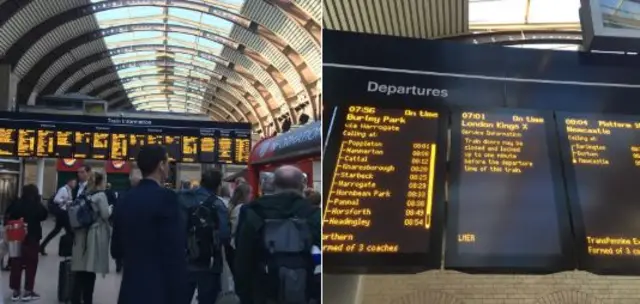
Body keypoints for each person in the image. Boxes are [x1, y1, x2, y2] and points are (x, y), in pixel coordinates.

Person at [111, 145, 187, 304]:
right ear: (161, 165)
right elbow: (176, 251)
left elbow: (116, 250)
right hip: (159, 290)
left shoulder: (125, 199)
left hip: (129, 290)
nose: (168, 167)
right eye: (167, 163)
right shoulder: (167, 199)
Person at [234, 166, 321, 304]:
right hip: (304, 290)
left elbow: (243, 258)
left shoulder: (254, 212)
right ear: (302, 185)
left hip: (263, 291)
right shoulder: (314, 214)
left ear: (273, 184)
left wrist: (244, 294)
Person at [178, 169, 230, 304]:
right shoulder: (218, 205)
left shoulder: (183, 199)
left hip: (185, 260)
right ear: (218, 186)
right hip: (210, 263)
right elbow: (225, 235)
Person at [70, 171, 111, 304]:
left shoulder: (85, 194)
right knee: (90, 269)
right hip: (93, 235)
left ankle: (75, 299)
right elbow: (105, 214)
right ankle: (88, 300)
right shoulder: (101, 195)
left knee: (80, 270)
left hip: (81, 234)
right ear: (100, 182)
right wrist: (111, 208)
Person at [4, 184, 48, 301]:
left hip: (16, 238)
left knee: (16, 264)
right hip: (32, 238)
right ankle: (28, 291)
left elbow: (8, 216)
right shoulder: (36, 205)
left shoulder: (16, 204)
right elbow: (44, 215)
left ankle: (15, 291)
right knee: (31, 265)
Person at [111, 169, 142, 273]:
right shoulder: (146, 197)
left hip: (124, 235)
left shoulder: (123, 196)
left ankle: (120, 263)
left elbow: (116, 219)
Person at [39, 178, 76, 255]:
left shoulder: (69, 190)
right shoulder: (63, 189)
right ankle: (70, 249)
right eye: (73, 182)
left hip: (64, 212)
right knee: (70, 231)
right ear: (69, 182)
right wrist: (66, 201)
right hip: (62, 213)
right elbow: (56, 199)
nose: (74, 184)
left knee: (56, 230)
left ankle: (42, 246)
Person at [226, 183, 252, 277]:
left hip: (231, 244)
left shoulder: (232, 206)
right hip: (236, 245)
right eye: (250, 193)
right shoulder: (241, 209)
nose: (251, 196)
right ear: (245, 195)